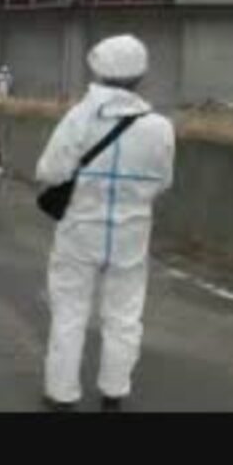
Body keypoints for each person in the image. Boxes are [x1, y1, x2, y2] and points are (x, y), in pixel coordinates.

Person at [35, 35, 175, 412]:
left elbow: (49, 170)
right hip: (131, 233)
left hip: (80, 231)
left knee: (70, 312)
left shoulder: (80, 116)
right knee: (124, 316)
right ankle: (114, 393)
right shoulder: (160, 127)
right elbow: (164, 181)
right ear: (141, 75)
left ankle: (62, 394)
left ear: (97, 70)